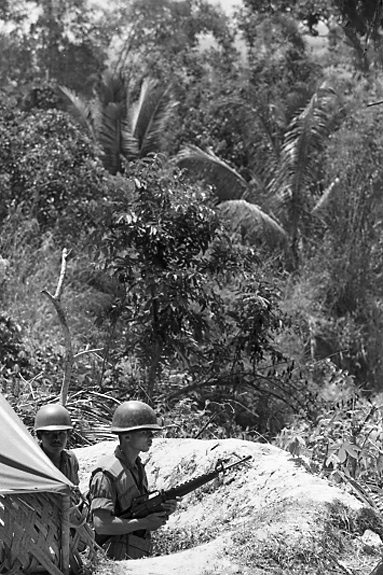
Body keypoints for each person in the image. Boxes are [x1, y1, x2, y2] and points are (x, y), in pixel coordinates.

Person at [88, 400, 178, 560]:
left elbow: (136, 511)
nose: (151, 437)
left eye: (151, 432)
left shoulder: (138, 468)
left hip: (134, 556)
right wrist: (144, 523)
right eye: (144, 432)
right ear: (127, 436)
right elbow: (102, 525)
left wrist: (162, 510)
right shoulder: (105, 474)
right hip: (110, 560)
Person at [34, 403, 80, 486]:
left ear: (68, 435)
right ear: (39, 435)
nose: (57, 439)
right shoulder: (32, 461)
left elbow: (74, 490)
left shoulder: (70, 460)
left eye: (61, 433)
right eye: (50, 434)